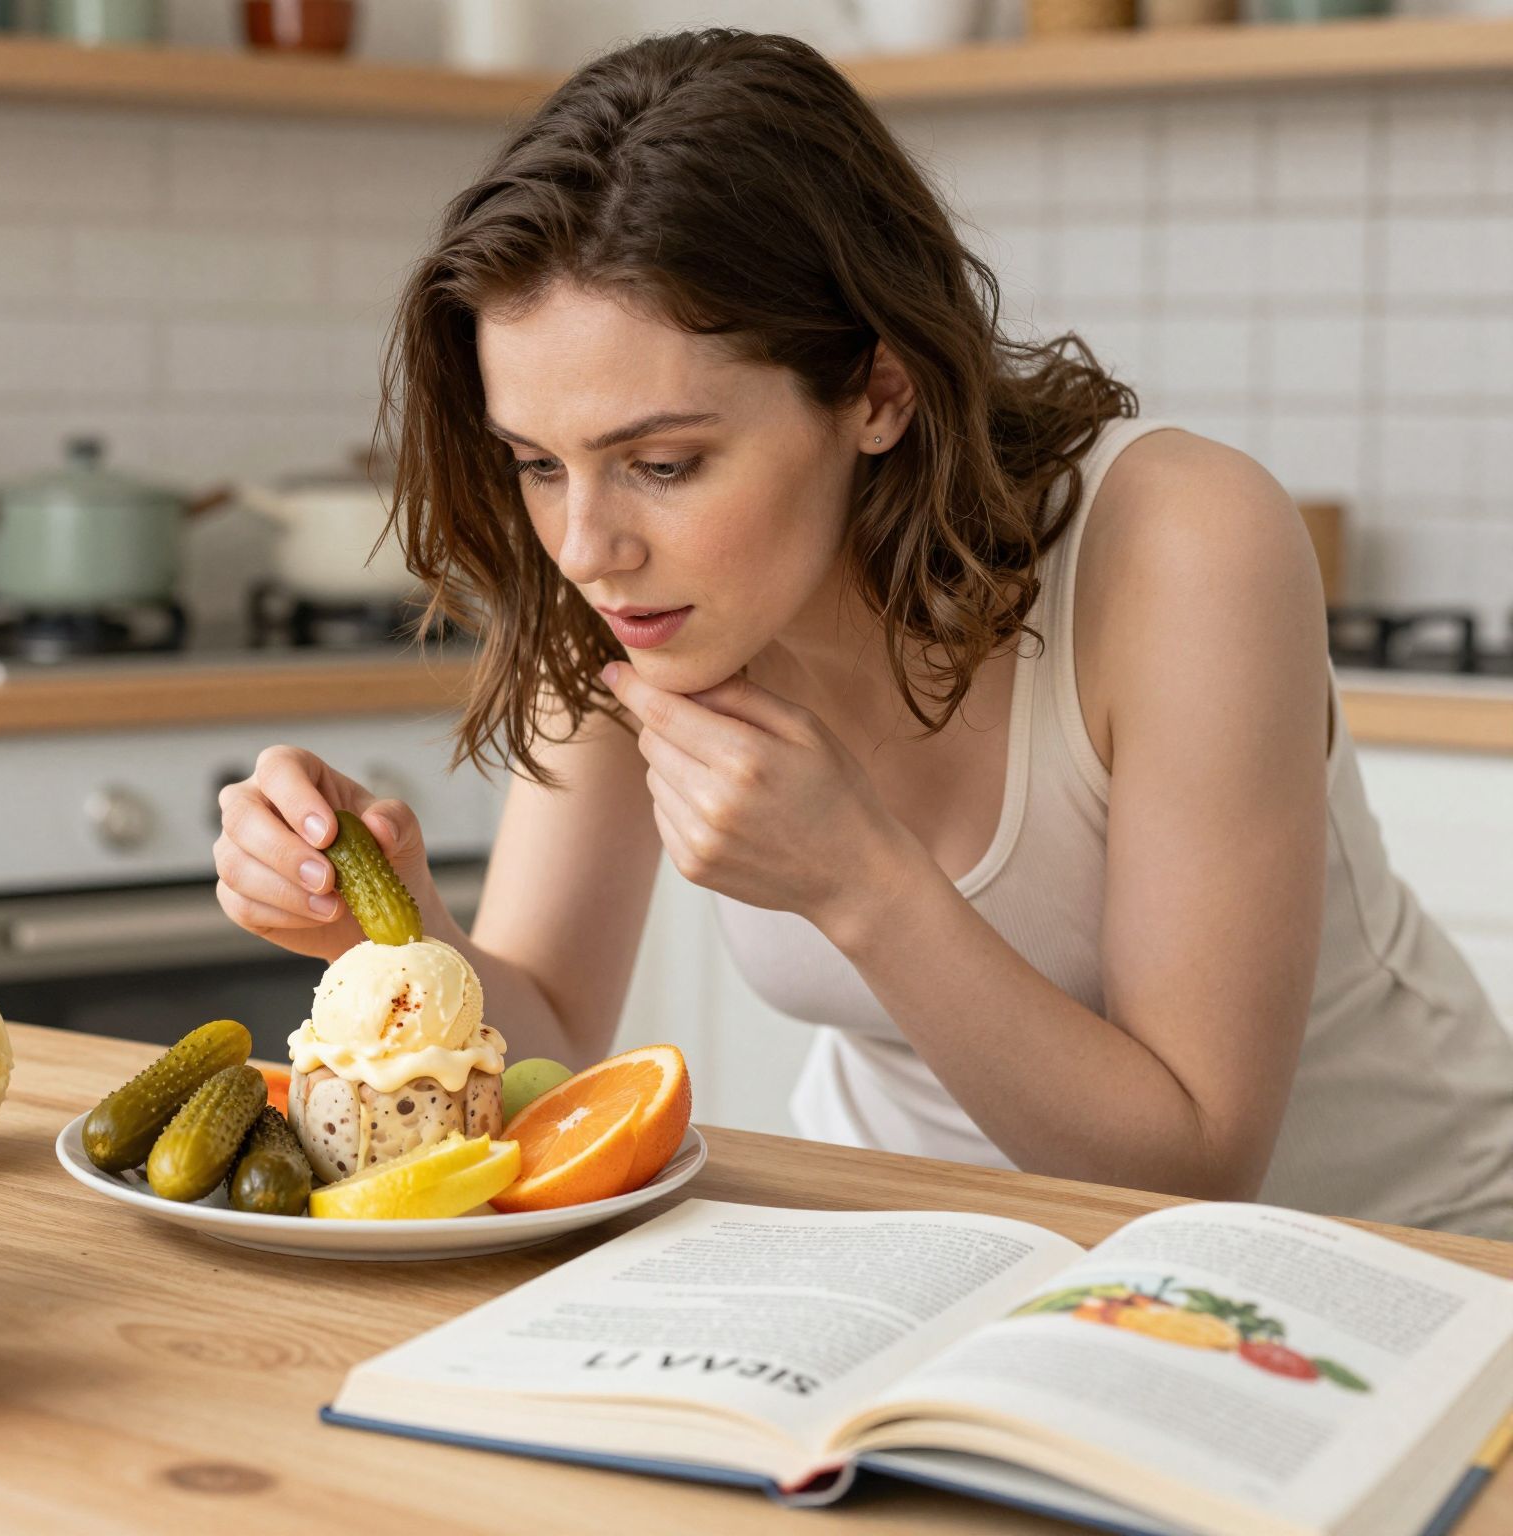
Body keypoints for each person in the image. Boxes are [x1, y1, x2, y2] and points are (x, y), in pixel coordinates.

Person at [213, 30, 1513, 1238]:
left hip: (1392, 1257)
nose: (586, 546)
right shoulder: (623, 595)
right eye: (538, 464)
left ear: (878, 391)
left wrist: (859, 880)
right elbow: (557, 1040)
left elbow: (1195, 1172)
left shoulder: (1182, 543)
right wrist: (392, 935)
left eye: (663, 463)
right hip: (928, 1255)